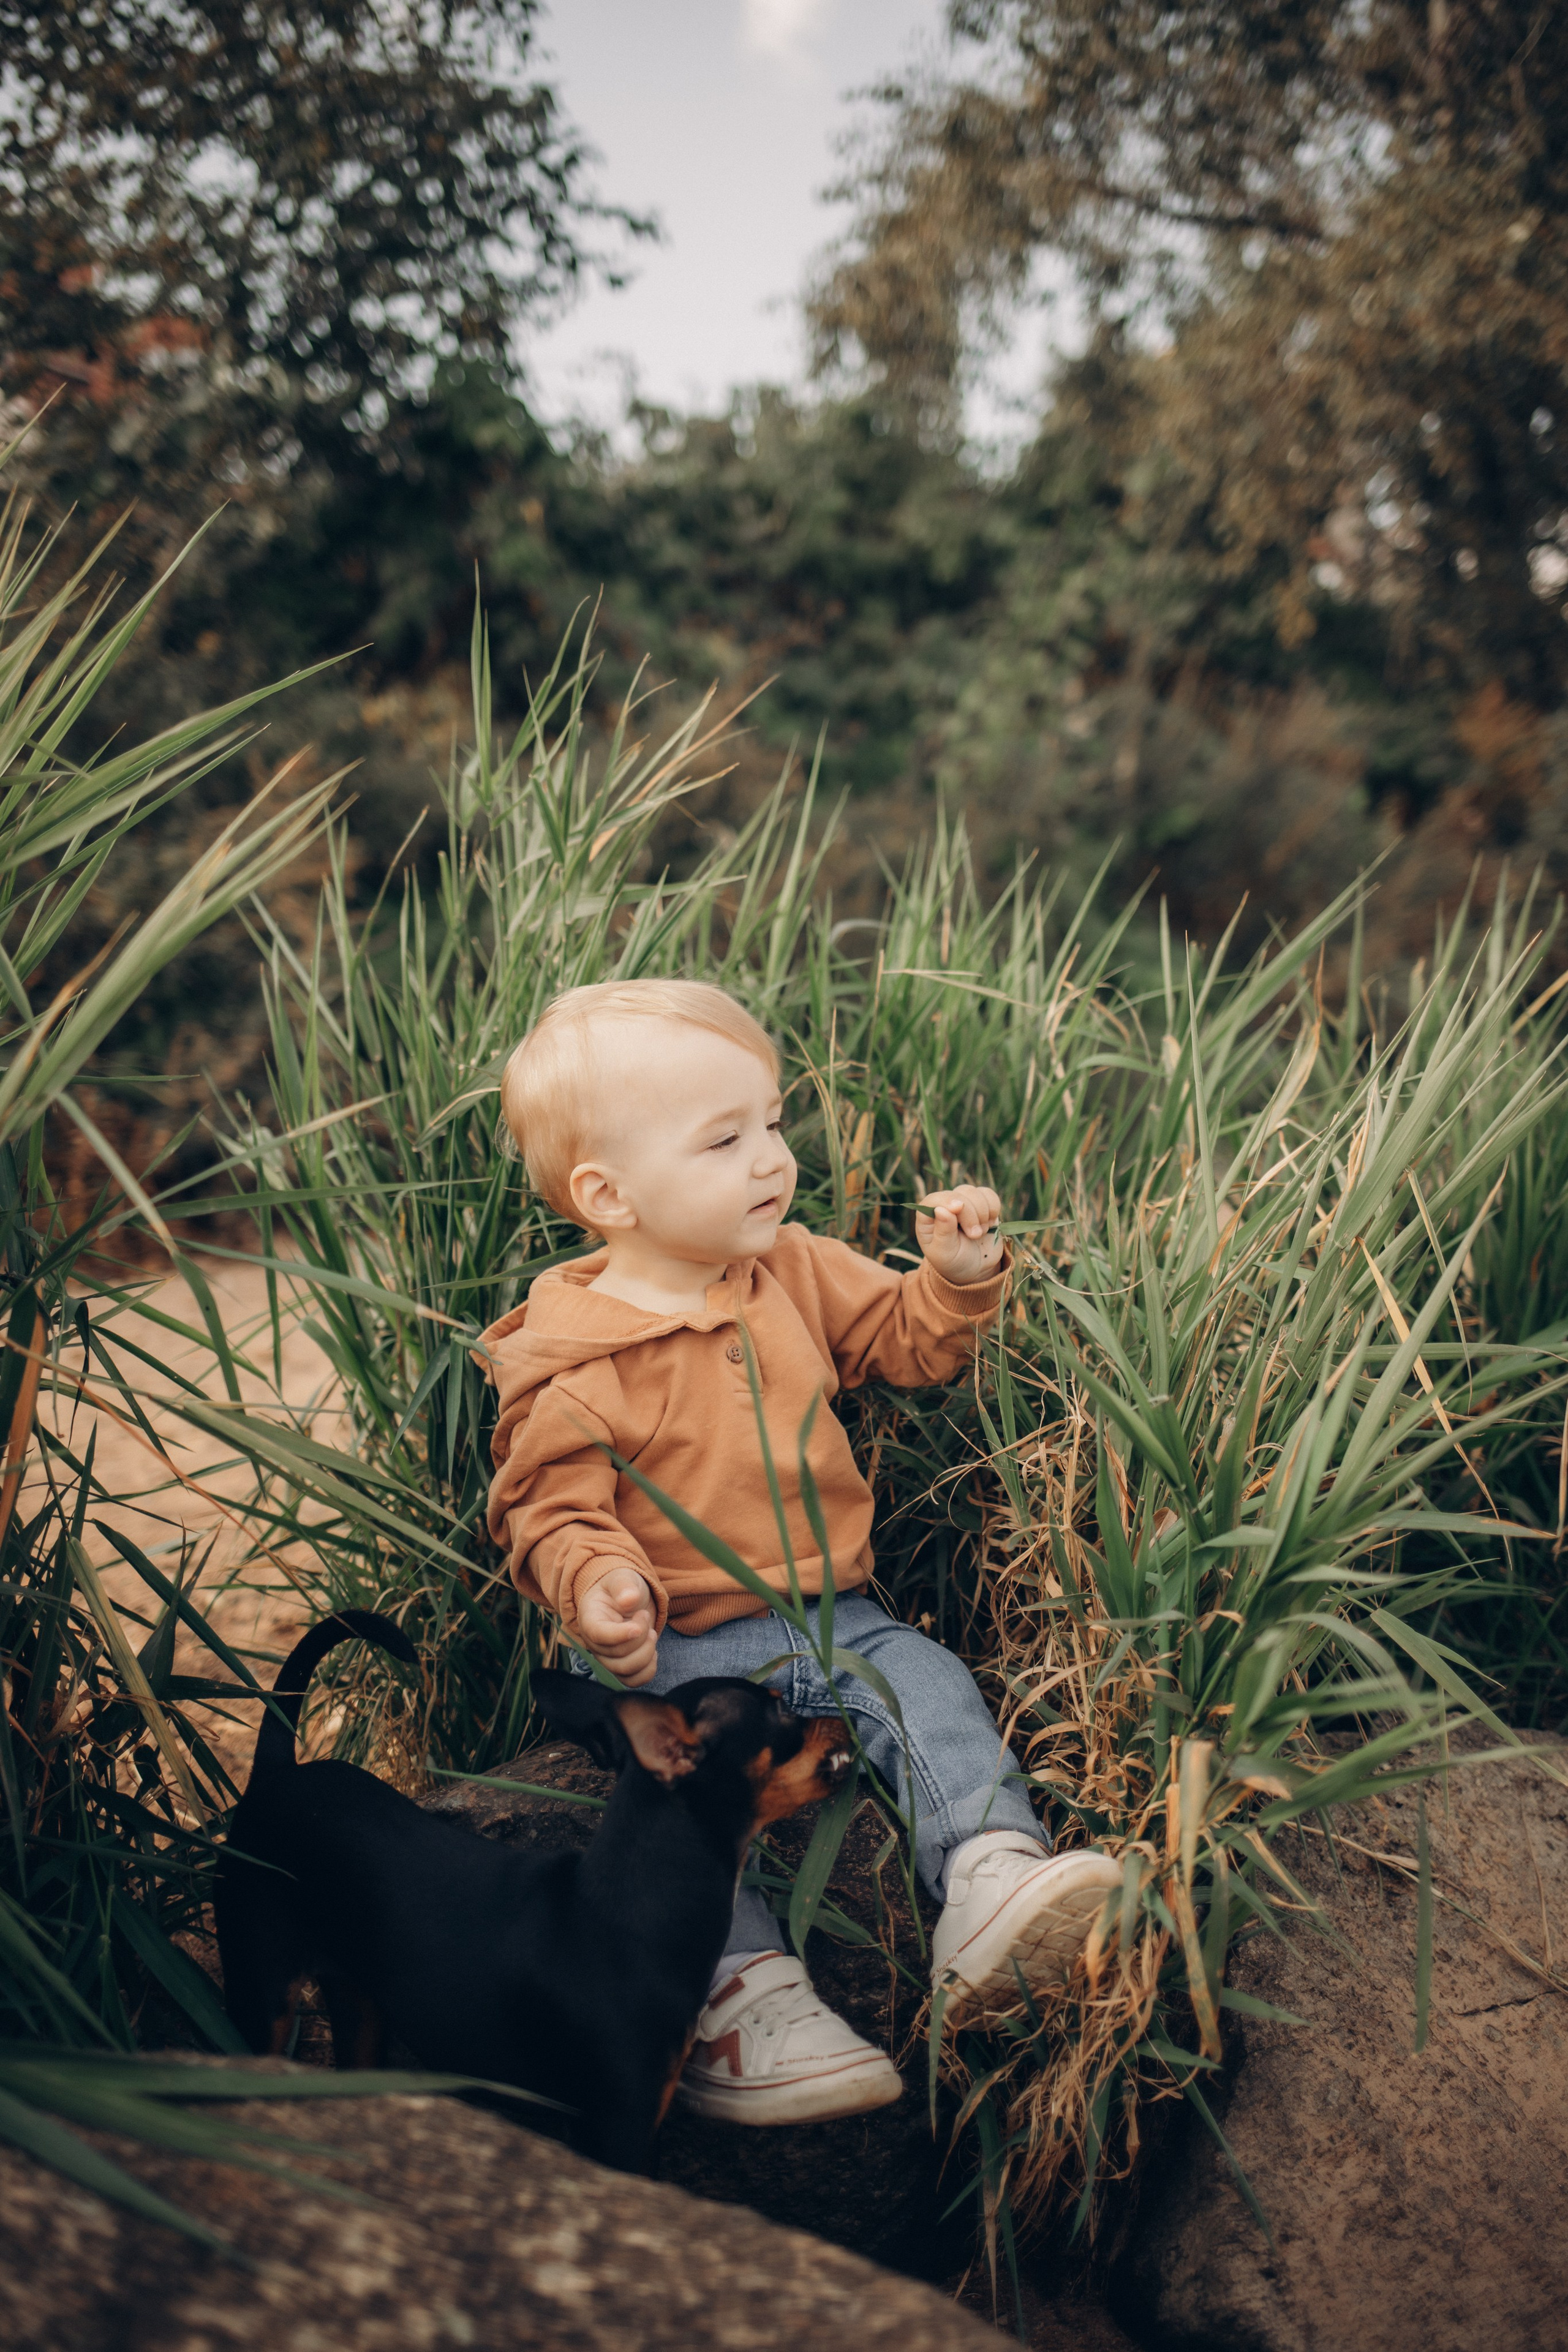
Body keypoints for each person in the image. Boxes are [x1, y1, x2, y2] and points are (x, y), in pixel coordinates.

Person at [478, 977, 1120, 2125]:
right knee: (674, 1799)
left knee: (925, 1684)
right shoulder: (575, 1358)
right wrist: (599, 1582)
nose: (773, 1159)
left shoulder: (793, 1270)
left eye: (772, 1123)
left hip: (831, 1617)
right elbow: (548, 1506)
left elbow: (901, 1339)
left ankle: (988, 1876)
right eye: (724, 1139)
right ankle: (743, 1996)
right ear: (608, 1195)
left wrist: (955, 1282)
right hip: (676, 1650)